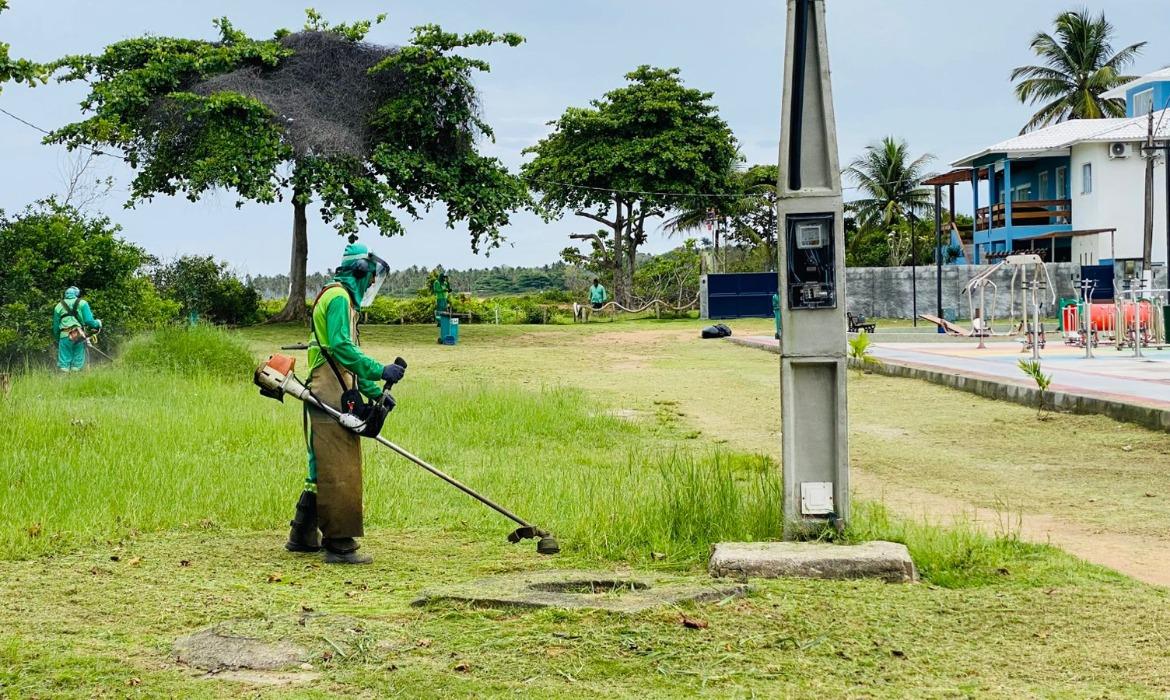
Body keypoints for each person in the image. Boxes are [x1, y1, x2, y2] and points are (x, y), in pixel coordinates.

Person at [286, 242, 406, 565]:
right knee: (339, 465)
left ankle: (302, 535)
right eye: (371, 276)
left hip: (334, 387)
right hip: (328, 391)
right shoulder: (338, 297)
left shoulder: (342, 299)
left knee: (320, 466)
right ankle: (339, 544)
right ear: (360, 270)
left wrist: (374, 391)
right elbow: (340, 348)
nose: (372, 283)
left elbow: (348, 364)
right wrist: (380, 369)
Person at [52, 286, 101, 372]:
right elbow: (89, 321)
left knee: (64, 362)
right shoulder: (82, 303)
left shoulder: (58, 306)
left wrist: (58, 339)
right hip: (78, 335)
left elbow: (56, 327)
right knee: (77, 361)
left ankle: (64, 377)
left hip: (64, 336)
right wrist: (98, 323)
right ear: (76, 294)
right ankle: (75, 376)